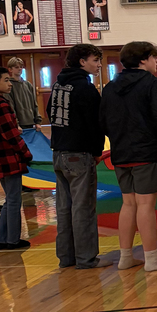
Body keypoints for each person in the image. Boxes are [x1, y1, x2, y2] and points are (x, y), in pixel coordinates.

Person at [100, 41, 157, 271]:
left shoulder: (110, 87)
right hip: (146, 152)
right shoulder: (153, 85)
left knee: (128, 203)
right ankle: (152, 258)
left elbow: (104, 121)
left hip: (121, 152)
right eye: (155, 57)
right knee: (146, 204)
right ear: (144, 59)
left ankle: (126, 256)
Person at [47, 44, 111, 269]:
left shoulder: (58, 85)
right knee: (83, 208)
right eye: (95, 60)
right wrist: (96, 151)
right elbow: (96, 123)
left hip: (58, 153)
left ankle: (66, 257)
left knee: (64, 208)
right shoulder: (85, 88)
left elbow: (50, 114)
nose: (99, 64)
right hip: (79, 154)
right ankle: (86, 258)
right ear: (82, 62)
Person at [0, 65, 33, 250]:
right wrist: (26, 153)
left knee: (10, 199)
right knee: (14, 199)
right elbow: (11, 135)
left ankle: (2, 239)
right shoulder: (1, 104)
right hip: (7, 158)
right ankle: (12, 240)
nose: (10, 84)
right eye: (6, 80)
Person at [5, 57, 42, 130]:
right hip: (19, 123)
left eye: (21, 67)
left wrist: (37, 121)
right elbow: (11, 106)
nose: (20, 69)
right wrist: (16, 123)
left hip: (30, 121)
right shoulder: (9, 85)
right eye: (16, 67)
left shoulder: (27, 85)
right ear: (10, 69)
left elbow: (34, 104)